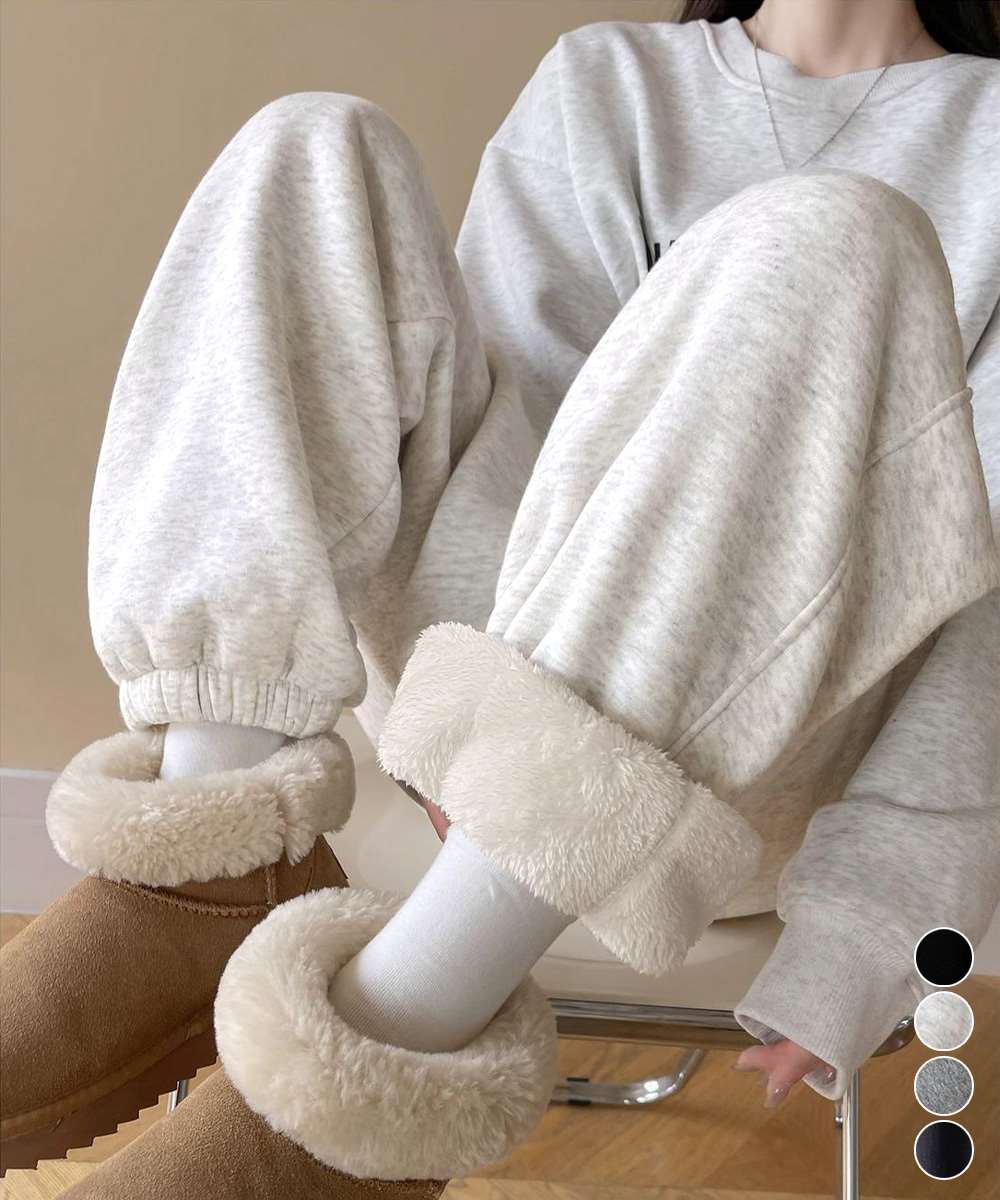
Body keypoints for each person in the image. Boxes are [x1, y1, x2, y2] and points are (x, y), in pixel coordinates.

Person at [2, 0, 998, 1193]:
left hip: (734, 758)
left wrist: (867, 930)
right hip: (479, 690)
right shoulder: (606, 81)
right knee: (311, 144)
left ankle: (386, 1052)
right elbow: (508, 446)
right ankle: (199, 861)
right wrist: (472, 741)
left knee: (834, 238)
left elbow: (985, 611)